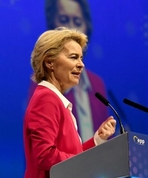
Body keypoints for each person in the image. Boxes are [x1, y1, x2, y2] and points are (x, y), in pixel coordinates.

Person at [23, 27, 116, 178]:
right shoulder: (46, 99)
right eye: (73, 57)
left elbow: (72, 156)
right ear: (49, 62)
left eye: (81, 58)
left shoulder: (55, 100)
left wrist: (97, 140)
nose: (81, 64)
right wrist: (86, 162)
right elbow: (45, 156)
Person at [28, 0, 110, 142]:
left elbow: (80, 154)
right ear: (51, 27)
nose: (71, 30)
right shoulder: (42, 87)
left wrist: (98, 141)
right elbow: (43, 155)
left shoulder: (97, 85)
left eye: (77, 22)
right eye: (64, 20)